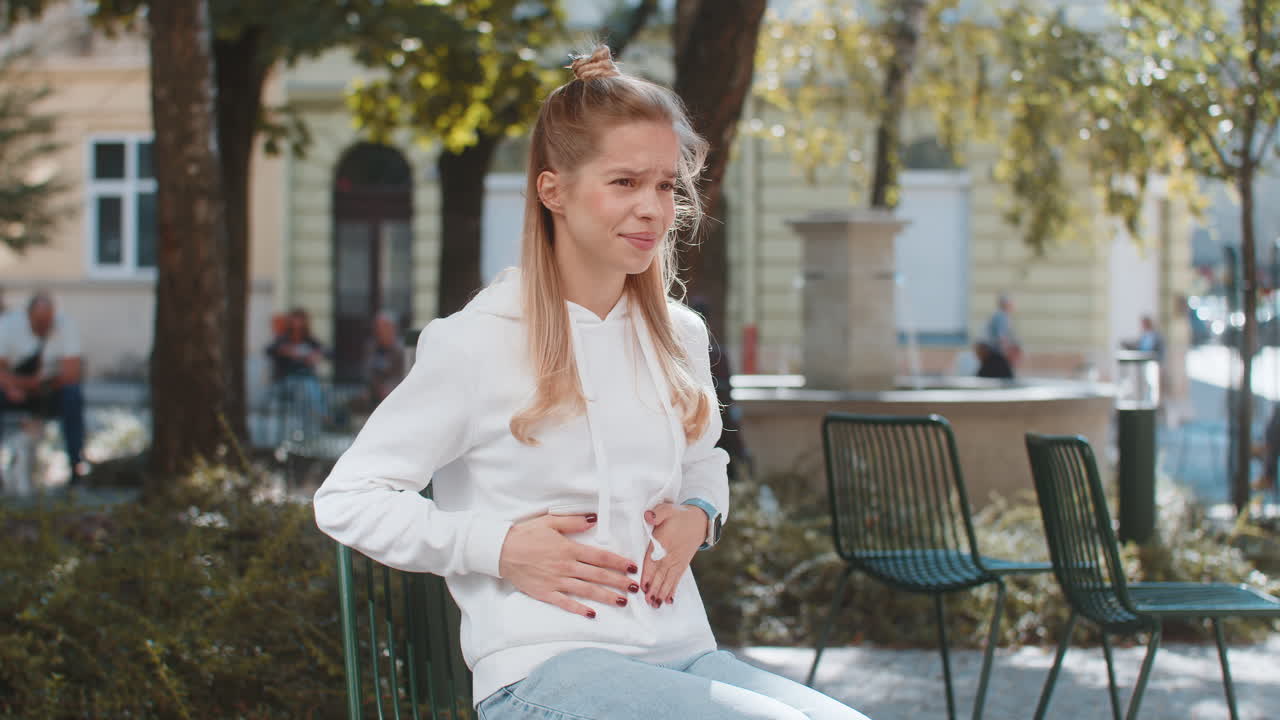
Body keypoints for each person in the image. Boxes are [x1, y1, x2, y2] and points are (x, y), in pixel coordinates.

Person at [314, 46, 870, 720]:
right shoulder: (476, 342)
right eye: (624, 183)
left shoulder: (679, 337)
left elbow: (706, 463)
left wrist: (702, 514)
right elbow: (348, 499)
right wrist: (495, 546)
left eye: (665, 185)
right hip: (543, 672)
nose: (653, 210)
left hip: (683, 653)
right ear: (554, 191)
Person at [0, 292, 87, 482]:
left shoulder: (65, 326)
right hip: (13, 388)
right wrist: (13, 387)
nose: (44, 326)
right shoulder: (8, 326)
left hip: (50, 389)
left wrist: (43, 386)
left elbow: (71, 373)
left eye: (48, 321)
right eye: (39, 322)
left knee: (73, 396)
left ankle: (76, 465)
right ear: (28, 316)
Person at [265, 308, 328, 434]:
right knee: (306, 389)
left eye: (301, 320)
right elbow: (270, 350)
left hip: (307, 380)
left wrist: (316, 356)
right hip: (286, 380)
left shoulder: (310, 341)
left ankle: (312, 426)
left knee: (309, 388)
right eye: (295, 319)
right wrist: (288, 352)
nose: (298, 323)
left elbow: (326, 352)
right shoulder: (283, 340)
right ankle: (320, 415)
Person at [363, 310, 406, 408]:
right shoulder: (372, 348)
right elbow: (368, 373)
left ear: (392, 328)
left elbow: (404, 376)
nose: (378, 331)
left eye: (382, 327)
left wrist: (389, 389)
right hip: (375, 397)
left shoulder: (401, 350)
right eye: (376, 327)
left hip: (396, 399)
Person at [985, 293, 1022, 368]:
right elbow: (1002, 337)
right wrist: (1007, 351)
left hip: (997, 353)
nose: (1012, 305)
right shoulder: (1001, 316)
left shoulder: (1001, 316)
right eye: (1010, 303)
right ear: (1005, 304)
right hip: (998, 354)